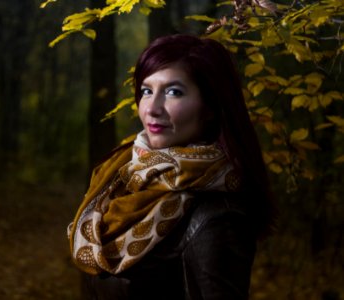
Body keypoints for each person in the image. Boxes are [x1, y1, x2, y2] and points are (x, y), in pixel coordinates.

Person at [67, 34, 276, 300]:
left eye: (173, 92)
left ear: (211, 106)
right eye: (146, 91)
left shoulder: (217, 217)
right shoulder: (119, 178)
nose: (152, 108)